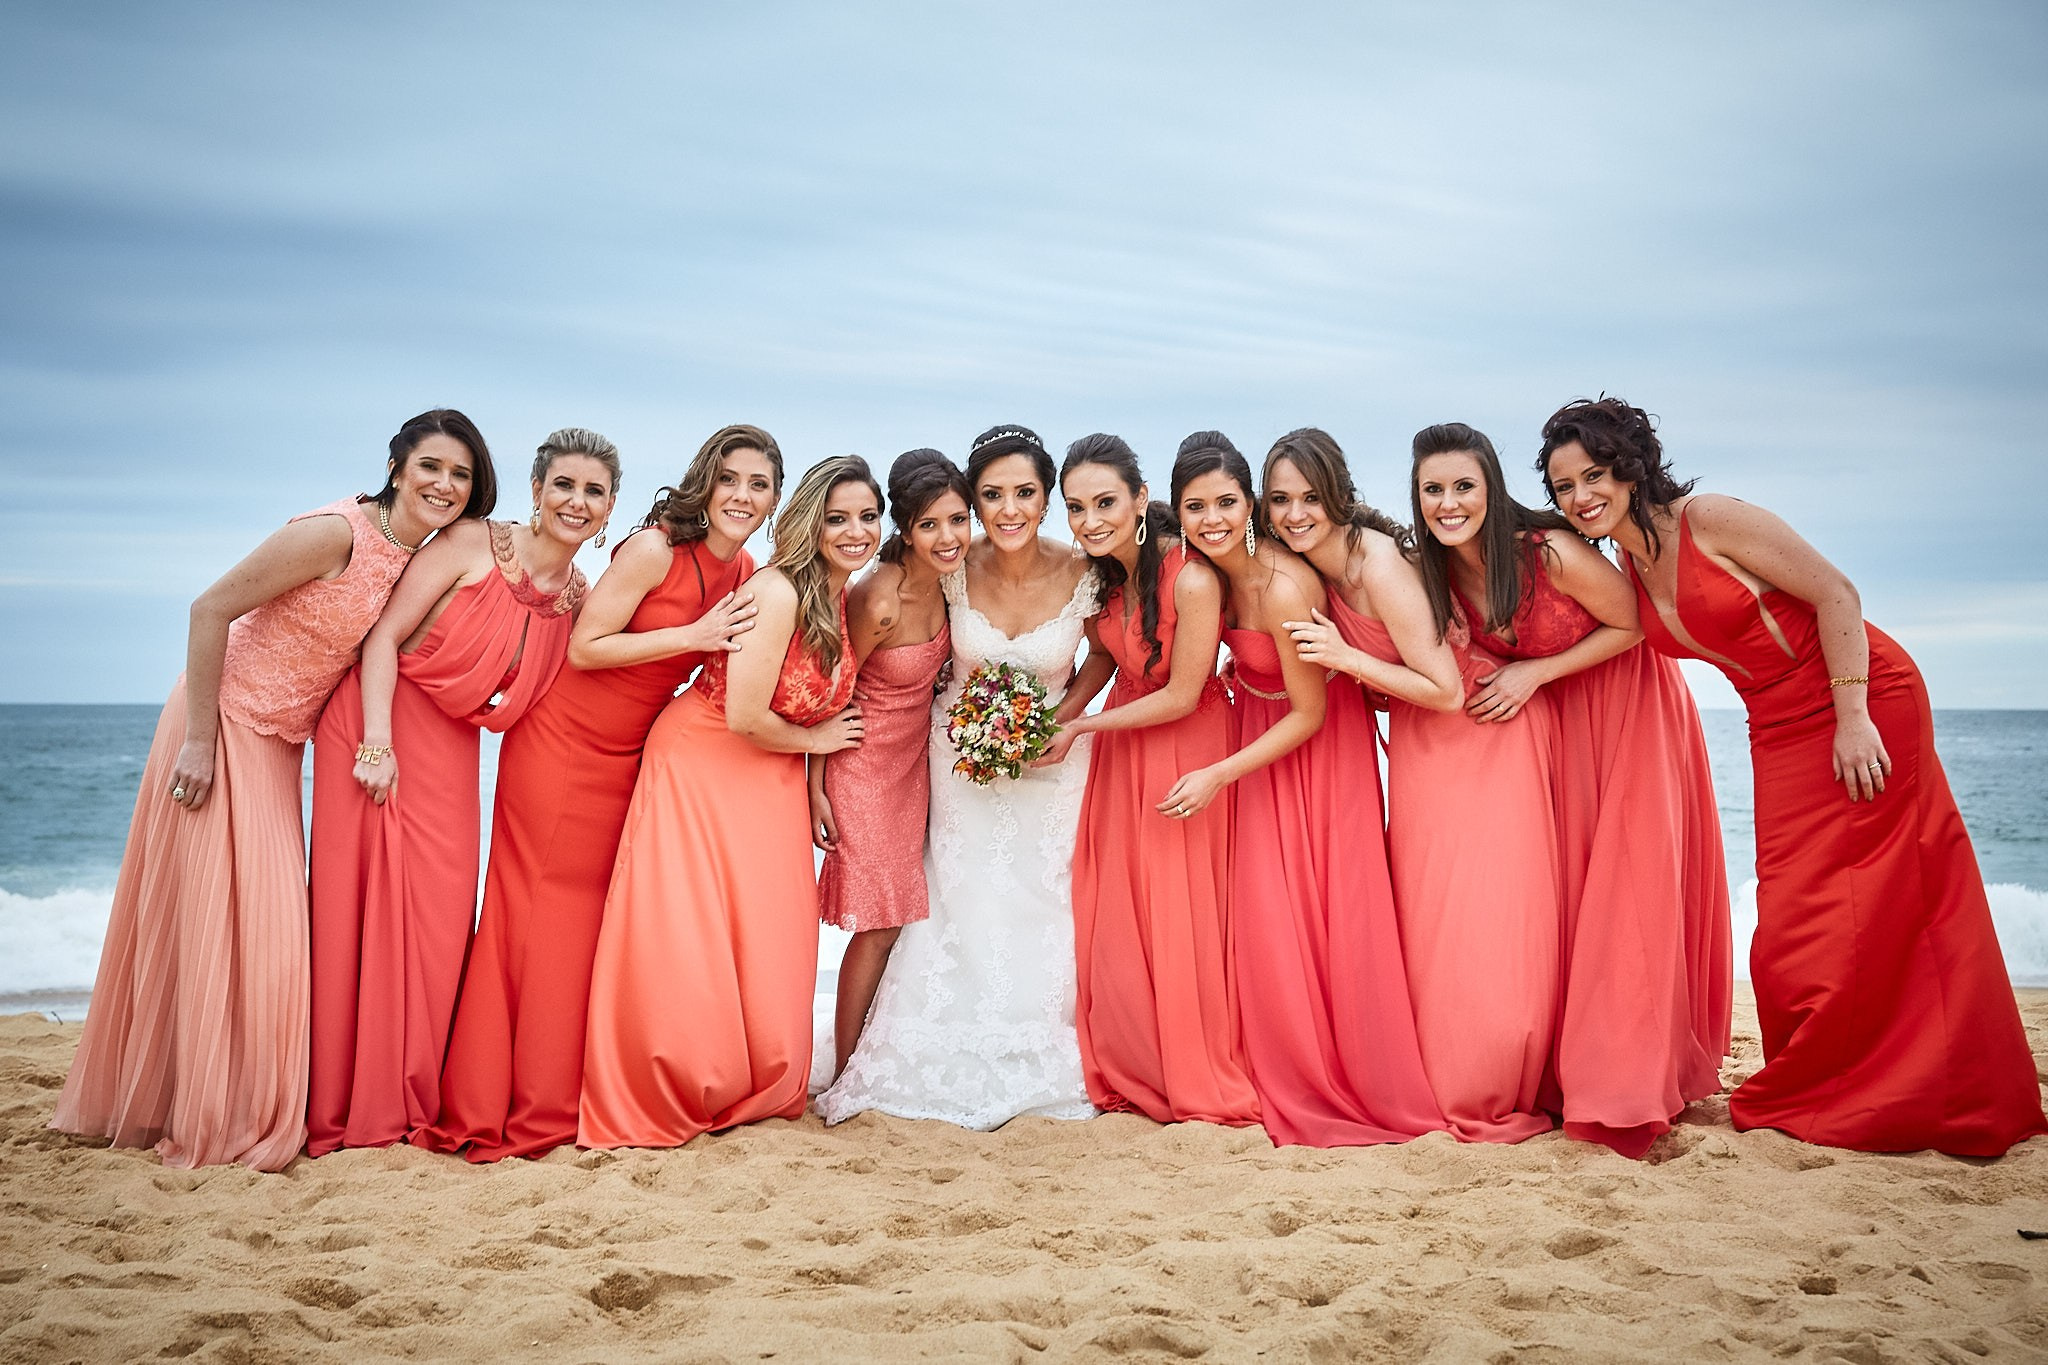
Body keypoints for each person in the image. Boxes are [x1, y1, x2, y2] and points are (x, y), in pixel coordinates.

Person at [1540, 395, 2046, 1156]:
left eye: (1595, 474)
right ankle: (1832, 1080)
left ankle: (1938, 1086)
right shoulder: (1627, 564)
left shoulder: (1710, 519)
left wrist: (1852, 716)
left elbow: (1837, 593)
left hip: (1862, 701)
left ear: (1632, 466)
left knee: (1899, 897)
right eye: (1563, 486)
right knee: (1794, 920)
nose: (1581, 496)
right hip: (1773, 729)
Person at [50, 410, 491, 1170]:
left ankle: (209, 1098)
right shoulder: (335, 532)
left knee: (255, 935)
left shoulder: (418, 552)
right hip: (219, 728)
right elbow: (209, 608)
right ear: (396, 468)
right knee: (234, 930)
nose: (444, 485)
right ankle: (209, 1113)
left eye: (460, 474)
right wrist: (197, 739)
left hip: (280, 746)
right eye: (431, 467)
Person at [417, 425, 778, 1162]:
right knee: (537, 916)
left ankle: (559, 1087)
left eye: (760, 484)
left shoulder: (745, 567)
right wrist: (695, 635)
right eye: (731, 478)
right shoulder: (652, 549)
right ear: (706, 482)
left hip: (629, 752)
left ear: (774, 500)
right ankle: (510, 1105)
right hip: (563, 740)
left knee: (584, 926)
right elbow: (586, 646)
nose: (743, 495)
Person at [1413, 421, 1730, 1158]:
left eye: (1465, 485)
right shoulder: (1434, 570)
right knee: (1571, 893)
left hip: (1626, 703)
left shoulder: (1548, 549)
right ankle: (1563, 1066)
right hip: (1557, 725)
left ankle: (1636, 1068)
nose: (1450, 502)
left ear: (1492, 487)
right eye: (1434, 489)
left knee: (1628, 887)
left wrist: (1531, 675)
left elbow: (1635, 624)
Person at [307, 428, 613, 1156]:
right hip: (377, 720)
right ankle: (340, 1100)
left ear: (608, 510)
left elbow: (599, 681)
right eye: (563, 484)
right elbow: (381, 637)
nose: (577, 501)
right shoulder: (473, 541)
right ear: (536, 491)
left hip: (454, 744)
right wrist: (375, 744)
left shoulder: (578, 595)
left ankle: (411, 1092)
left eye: (594, 491)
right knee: (356, 910)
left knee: (443, 923)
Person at [580, 455, 877, 1148]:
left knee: (774, 925)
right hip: (705, 757)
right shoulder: (776, 593)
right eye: (837, 517)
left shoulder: (839, 594)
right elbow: (746, 714)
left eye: (867, 517)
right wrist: (823, 734)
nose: (854, 530)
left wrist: (813, 781)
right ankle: (683, 1077)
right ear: (808, 519)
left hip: (769, 770)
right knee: (692, 927)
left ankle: (761, 1077)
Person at [1277, 427, 1560, 1142]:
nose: (1295, 512)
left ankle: (1484, 1078)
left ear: (1339, 491)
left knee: (1476, 919)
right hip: (1421, 747)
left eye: (1310, 496)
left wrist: (1345, 655)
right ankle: (1442, 1067)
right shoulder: (1312, 562)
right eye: (1279, 499)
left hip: (1479, 736)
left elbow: (1442, 689)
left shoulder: (1377, 562)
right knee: (1429, 917)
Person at [817, 425, 1101, 1130]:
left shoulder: (1083, 569)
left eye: (1025, 493)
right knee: (955, 900)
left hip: (1052, 766)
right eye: (993, 495)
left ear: (1048, 497)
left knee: (1046, 902)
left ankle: (1044, 1041)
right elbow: (848, 668)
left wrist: (1065, 715)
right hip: (954, 761)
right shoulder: (947, 564)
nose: (1009, 510)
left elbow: (1111, 652)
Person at [1172, 432, 1446, 1147]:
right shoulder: (1210, 574)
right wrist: (1246, 677)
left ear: (1245, 504)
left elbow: (1313, 708)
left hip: (1315, 750)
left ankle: (1331, 1071)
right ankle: (1273, 1059)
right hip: (1263, 734)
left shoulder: (1284, 582)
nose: (1212, 518)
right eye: (1196, 506)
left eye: (1226, 502)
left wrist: (1215, 773)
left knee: (1320, 907)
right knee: (1268, 911)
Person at [1052, 433, 1259, 1127]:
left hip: (1183, 740)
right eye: (1076, 508)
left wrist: (1080, 731)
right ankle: (1139, 1053)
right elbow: (1106, 659)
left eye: (1105, 501)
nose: (1090, 519)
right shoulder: (1104, 573)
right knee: (1124, 902)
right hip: (1124, 742)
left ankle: (1191, 1059)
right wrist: (1059, 714)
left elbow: (1181, 692)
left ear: (1141, 498)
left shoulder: (1192, 577)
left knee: (1180, 906)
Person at [811, 449, 971, 1078]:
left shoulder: (952, 585)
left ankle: (875, 1050)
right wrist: (815, 787)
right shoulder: (878, 598)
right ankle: (847, 1070)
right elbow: (827, 691)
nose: (948, 537)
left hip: (915, 767)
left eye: (957, 520)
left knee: (901, 918)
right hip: (862, 768)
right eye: (929, 525)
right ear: (904, 528)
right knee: (876, 925)